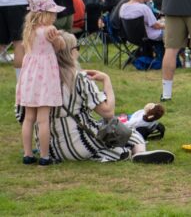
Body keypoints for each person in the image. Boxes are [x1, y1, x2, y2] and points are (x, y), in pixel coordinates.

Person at [16, 31, 174, 163]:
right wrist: (107, 81)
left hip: (49, 150)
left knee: (107, 134)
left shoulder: (31, 78)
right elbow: (108, 112)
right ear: (70, 52)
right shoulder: (79, 79)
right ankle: (138, 152)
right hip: (78, 146)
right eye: (77, 47)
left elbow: (22, 117)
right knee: (128, 132)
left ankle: (121, 152)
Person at [17, 0, 66, 165]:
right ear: (44, 14)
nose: (55, 16)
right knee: (43, 119)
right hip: (44, 77)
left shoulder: (29, 31)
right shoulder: (49, 30)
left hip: (30, 76)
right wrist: (58, 38)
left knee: (28, 118)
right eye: (52, 13)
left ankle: (28, 154)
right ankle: (45, 157)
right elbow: (61, 46)